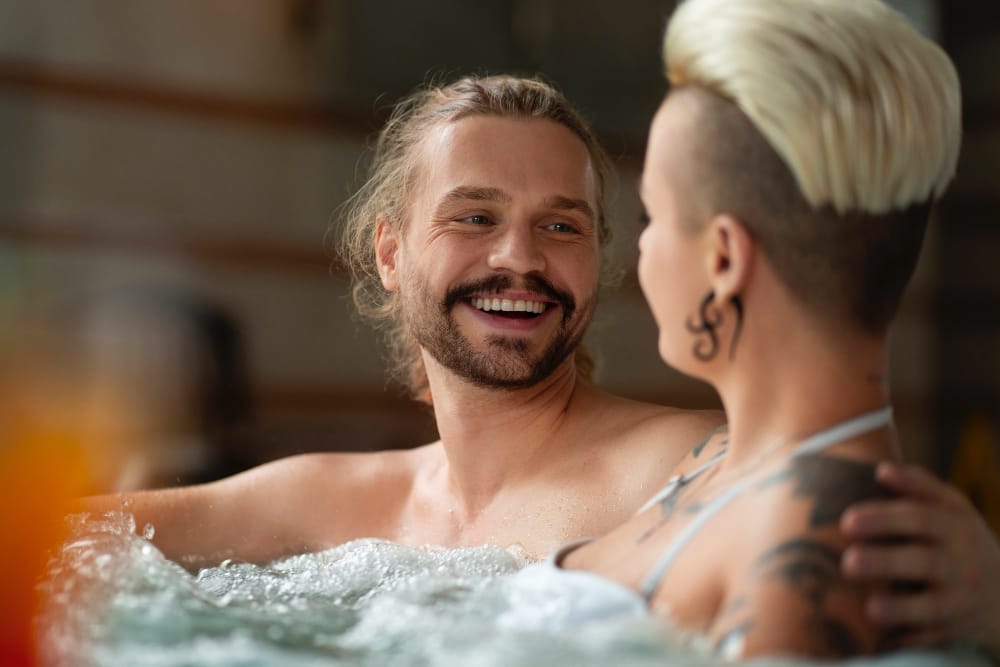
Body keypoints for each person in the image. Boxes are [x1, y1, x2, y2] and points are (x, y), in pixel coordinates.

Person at [77, 71, 1000, 649]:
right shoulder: (330, 500)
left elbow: (824, 500)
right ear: (392, 253)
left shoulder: (685, 465)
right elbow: (61, 535)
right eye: (475, 217)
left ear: (599, 256)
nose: (519, 258)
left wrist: (988, 595)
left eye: (560, 225)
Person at [554, 0, 1000, 659]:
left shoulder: (815, 544)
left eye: (653, 216)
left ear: (724, 259)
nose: (640, 250)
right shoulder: (719, 466)